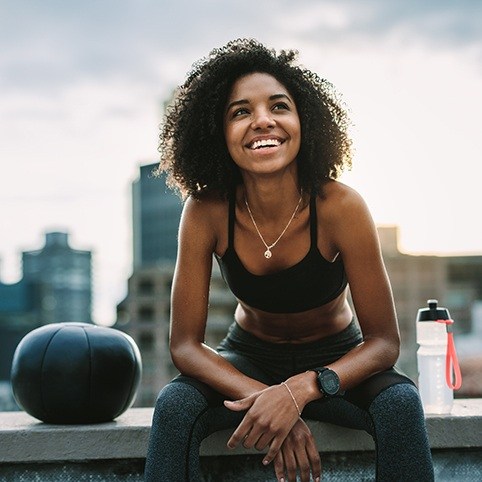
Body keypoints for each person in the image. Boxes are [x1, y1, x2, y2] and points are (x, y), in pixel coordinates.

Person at [144, 38, 434, 482]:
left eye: (279, 106)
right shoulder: (205, 210)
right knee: (174, 406)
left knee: (400, 404)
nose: (262, 121)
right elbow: (185, 345)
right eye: (240, 112)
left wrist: (300, 390)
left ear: (304, 122)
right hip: (248, 357)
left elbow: (383, 344)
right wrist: (270, 399)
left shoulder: (341, 206)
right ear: (217, 133)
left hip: (336, 361)